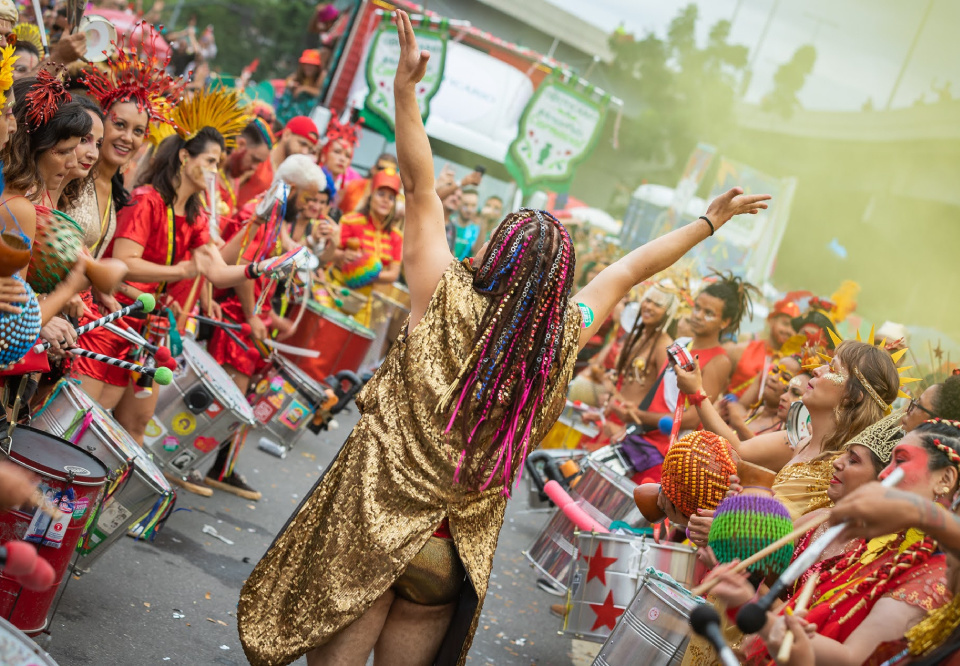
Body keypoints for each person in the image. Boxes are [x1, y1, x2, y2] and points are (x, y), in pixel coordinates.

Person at [236, 11, 771, 666]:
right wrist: (705, 223)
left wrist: (406, 92)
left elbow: (419, 183)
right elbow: (628, 271)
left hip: (372, 524)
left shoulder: (443, 295)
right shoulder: (561, 338)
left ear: (499, 252)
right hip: (445, 553)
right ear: (558, 281)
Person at [748, 419, 959, 666]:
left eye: (900, 462)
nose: (884, 474)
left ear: (946, 478)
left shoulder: (934, 568)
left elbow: (851, 658)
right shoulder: (878, 545)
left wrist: (763, 616)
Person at [70, 37, 186, 404]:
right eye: (120, 125)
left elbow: (96, 263)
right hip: (50, 309)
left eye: (138, 131)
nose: (128, 138)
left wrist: (116, 295)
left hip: (78, 316)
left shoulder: (120, 194)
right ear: (101, 121)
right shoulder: (72, 176)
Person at [677, 339, 901, 520]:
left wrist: (698, 394)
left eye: (832, 368)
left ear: (853, 396)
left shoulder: (847, 465)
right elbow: (738, 454)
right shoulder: (800, 441)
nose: (816, 371)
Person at [616, 272, 753, 484]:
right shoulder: (681, 342)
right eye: (697, 308)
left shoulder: (719, 360)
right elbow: (658, 392)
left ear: (725, 322)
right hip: (643, 438)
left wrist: (641, 416)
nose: (697, 315)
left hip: (665, 451)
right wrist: (632, 414)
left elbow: (693, 418)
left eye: (709, 313)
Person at [1, 75, 93, 354]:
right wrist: (67, 289)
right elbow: (11, 332)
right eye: (62, 151)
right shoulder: (17, 208)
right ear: (32, 146)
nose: (73, 161)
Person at [333, 167, 402, 326]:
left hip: (365, 299)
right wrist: (343, 257)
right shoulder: (350, 221)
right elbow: (330, 253)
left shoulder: (396, 236)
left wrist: (364, 272)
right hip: (336, 288)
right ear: (370, 196)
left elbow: (393, 274)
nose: (386, 200)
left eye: (391, 198)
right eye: (381, 194)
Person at [236, 115, 318, 209]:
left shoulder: (291, 181)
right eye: (302, 144)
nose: (305, 152)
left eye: (309, 149)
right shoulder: (258, 160)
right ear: (287, 134)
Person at [726, 297, 800, 399]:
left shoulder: (793, 365)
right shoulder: (742, 349)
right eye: (785, 323)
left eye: (794, 328)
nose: (789, 330)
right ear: (771, 321)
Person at [723, 355, 802, 439]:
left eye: (785, 378)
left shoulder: (782, 431)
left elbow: (754, 450)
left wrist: (739, 426)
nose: (773, 378)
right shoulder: (754, 411)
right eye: (774, 371)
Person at [218, 118, 274, 218]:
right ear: (240, 144)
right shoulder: (209, 175)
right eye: (254, 159)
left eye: (259, 163)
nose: (255, 167)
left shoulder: (235, 180)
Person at [317, 112, 359, 203]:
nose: (342, 159)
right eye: (337, 152)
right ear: (324, 155)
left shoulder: (348, 192)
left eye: (347, 156)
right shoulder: (312, 179)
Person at [276, 49, 323, 127]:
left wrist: (304, 89)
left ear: (317, 67)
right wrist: (291, 84)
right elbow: (288, 81)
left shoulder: (321, 77)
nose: (309, 67)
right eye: (306, 64)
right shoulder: (299, 75)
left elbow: (319, 92)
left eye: (312, 65)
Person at [448, 187, 480, 261]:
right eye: (466, 205)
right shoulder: (448, 222)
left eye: (473, 206)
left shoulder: (477, 231)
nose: (469, 209)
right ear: (459, 203)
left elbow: (476, 255)